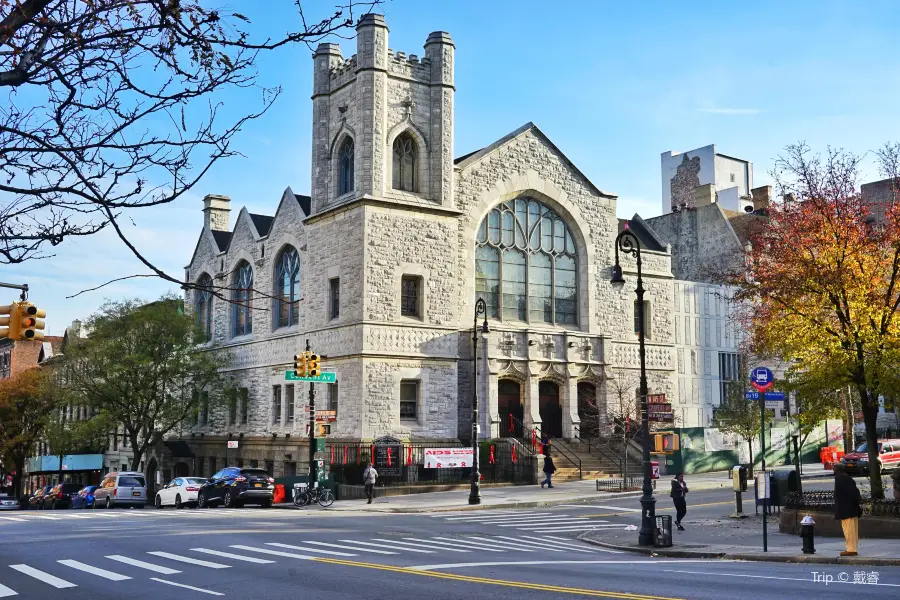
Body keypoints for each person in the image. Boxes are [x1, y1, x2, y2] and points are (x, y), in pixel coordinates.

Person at [833, 462, 862, 556]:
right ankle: (853, 548)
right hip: (852, 508)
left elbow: (840, 495)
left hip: (846, 508)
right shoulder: (848, 477)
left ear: (836, 469)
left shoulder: (839, 478)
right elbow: (855, 492)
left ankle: (851, 549)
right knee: (853, 530)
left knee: (848, 530)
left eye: (834, 468)